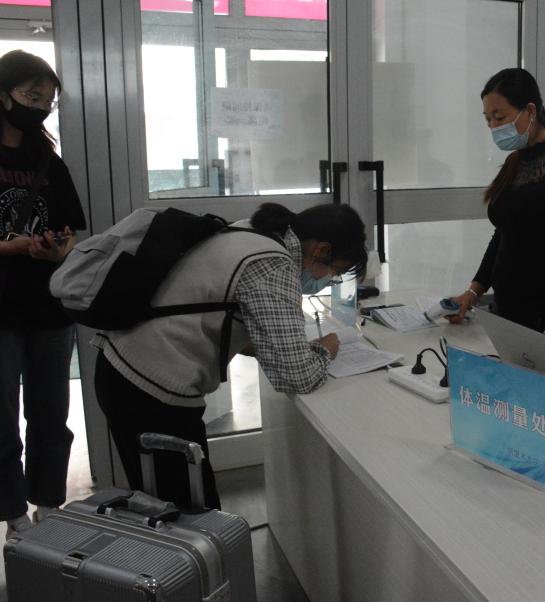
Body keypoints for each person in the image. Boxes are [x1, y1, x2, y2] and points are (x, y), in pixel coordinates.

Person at [93, 202, 367, 509]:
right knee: (187, 514)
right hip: (150, 389)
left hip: (125, 370)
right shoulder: (273, 264)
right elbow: (298, 377)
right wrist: (325, 349)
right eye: (334, 272)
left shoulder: (253, 231)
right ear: (321, 250)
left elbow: (216, 311)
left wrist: (280, 348)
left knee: (166, 503)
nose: (328, 280)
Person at [0, 51, 85, 534]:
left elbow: (70, 230)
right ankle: (14, 514)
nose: (39, 108)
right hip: (2, 308)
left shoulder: (49, 162)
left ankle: (49, 503)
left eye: (47, 101)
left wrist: (58, 250)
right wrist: (10, 247)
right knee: (2, 418)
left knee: (51, 414)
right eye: (31, 96)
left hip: (49, 304)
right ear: (3, 95)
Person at [450, 68, 545, 339]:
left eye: (500, 117)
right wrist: (474, 291)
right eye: (488, 120)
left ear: (530, 111)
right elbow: (503, 235)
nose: (494, 127)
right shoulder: (515, 162)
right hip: (506, 313)